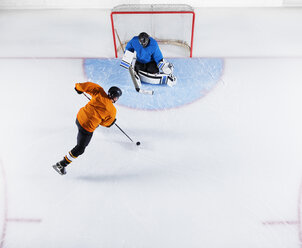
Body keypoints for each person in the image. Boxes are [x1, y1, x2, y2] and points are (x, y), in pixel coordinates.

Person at [53, 82, 122, 175]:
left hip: (79, 118)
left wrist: (79, 89)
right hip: (86, 127)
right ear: (115, 98)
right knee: (80, 148)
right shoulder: (112, 111)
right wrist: (112, 122)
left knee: (90, 123)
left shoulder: (99, 92)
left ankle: (62, 164)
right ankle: (61, 165)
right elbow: (106, 124)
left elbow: (83, 86)